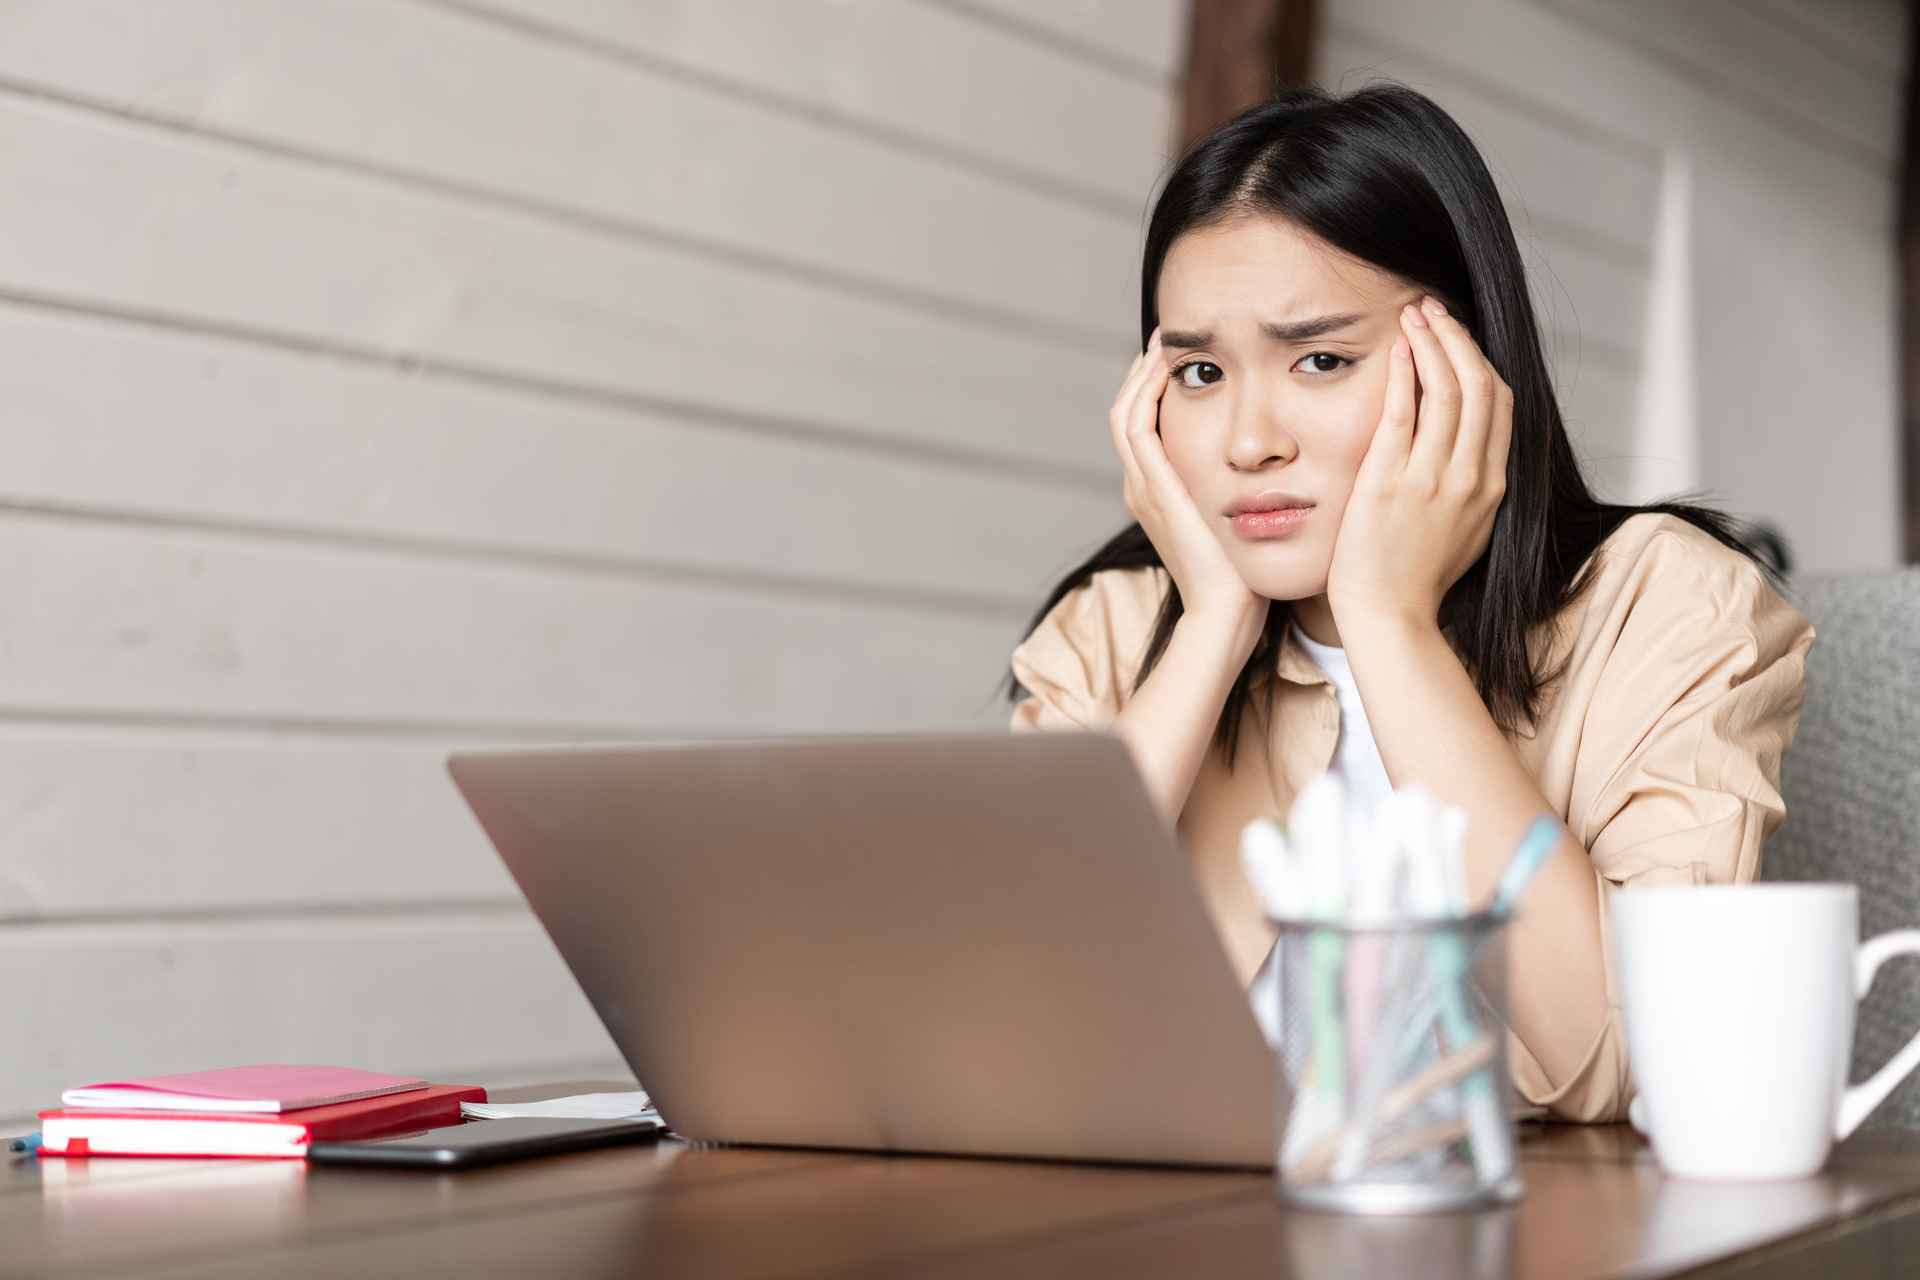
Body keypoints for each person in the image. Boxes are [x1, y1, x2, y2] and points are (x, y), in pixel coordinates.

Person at [1008, 86, 1813, 1123]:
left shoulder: (1671, 605)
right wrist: (1210, 624)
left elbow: (1630, 1057)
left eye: (1321, 359)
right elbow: (995, 1022)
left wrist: (1389, 622)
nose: (1249, 441)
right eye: (1200, 370)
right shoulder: (1112, 630)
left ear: (1466, 364)